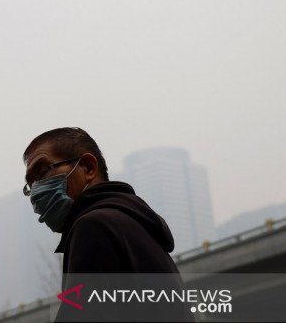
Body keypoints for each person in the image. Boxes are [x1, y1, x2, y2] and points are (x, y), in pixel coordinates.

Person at [23, 127, 192, 322]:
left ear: (87, 168)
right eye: (31, 184)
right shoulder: (135, 226)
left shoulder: (93, 227)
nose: (36, 190)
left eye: (43, 171)